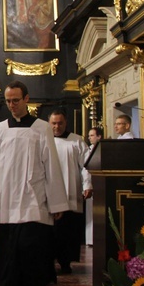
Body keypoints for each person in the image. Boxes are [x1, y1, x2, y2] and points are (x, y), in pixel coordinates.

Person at [0, 81, 69, 286]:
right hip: (7, 201)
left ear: (26, 99)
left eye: (15, 100)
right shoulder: (0, 129)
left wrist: (56, 202)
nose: (11, 105)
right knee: (11, 253)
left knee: (32, 252)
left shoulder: (41, 128)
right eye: (8, 101)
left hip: (34, 199)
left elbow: (51, 165)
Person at [48, 109, 92, 275]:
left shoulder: (77, 140)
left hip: (70, 190)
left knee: (68, 230)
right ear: (49, 124)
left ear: (65, 123)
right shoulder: (43, 140)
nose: (57, 127)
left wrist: (87, 185)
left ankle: (66, 262)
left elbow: (86, 165)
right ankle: (48, 262)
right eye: (53, 123)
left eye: (60, 123)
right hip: (49, 193)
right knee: (50, 232)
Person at [84, 126, 103, 247]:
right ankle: (90, 239)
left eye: (92, 135)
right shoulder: (89, 149)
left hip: (99, 184)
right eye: (89, 135)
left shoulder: (101, 150)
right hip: (90, 183)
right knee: (90, 213)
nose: (89, 138)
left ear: (99, 137)